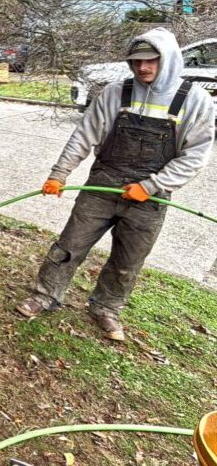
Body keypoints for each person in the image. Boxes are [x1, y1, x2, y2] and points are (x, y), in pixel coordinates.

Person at [16, 27, 214, 341]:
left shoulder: (195, 101)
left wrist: (151, 186)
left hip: (150, 198)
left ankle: (105, 308)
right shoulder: (115, 92)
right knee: (68, 246)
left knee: (127, 261)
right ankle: (45, 295)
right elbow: (84, 135)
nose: (143, 68)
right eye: (136, 61)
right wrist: (58, 174)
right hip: (103, 185)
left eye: (152, 61)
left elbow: (195, 156)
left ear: (170, 60)